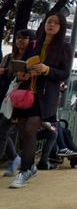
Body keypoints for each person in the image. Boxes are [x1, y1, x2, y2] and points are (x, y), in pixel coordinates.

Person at [9, 12, 73, 189]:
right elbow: (23, 65)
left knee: (30, 130)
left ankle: (24, 172)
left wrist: (46, 70)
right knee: (22, 132)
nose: (51, 25)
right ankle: (30, 167)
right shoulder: (34, 44)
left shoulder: (64, 48)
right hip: (25, 93)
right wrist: (22, 72)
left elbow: (64, 73)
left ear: (61, 28)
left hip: (44, 97)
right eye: (48, 22)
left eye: (55, 23)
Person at [1, 31, 35, 177]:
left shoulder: (32, 59)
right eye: (18, 38)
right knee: (2, 130)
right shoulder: (8, 57)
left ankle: (19, 160)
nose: (20, 40)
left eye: (24, 38)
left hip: (18, 98)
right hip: (4, 95)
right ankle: (15, 158)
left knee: (2, 130)